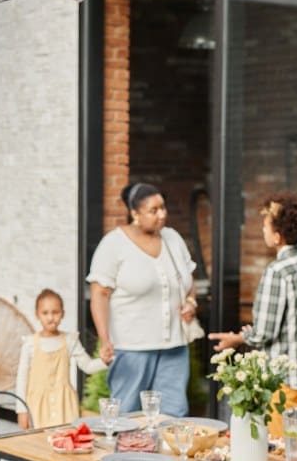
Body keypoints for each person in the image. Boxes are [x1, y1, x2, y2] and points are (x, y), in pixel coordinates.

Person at [209, 192, 297, 439]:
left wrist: (238, 339)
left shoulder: (277, 271)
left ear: (277, 236)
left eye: (265, 225)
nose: (262, 230)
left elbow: (264, 332)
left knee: (282, 445)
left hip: (285, 378)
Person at [86, 182, 198, 417]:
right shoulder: (114, 244)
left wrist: (191, 301)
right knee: (125, 414)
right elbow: (99, 295)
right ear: (135, 213)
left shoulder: (172, 238)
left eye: (163, 208)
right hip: (131, 348)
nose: (162, 214)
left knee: (173, 415)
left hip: (174, 347)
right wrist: (105, 340)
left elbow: (189, 280)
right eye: (153, 210)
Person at [15, 288, 107, 430]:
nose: (50, 317)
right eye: (45, 313)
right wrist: (21, 410)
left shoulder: (70, 340)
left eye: (55, 312)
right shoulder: (30, 344)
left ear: (62, 314)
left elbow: (87, 366)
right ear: (37, 314)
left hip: (65, 405)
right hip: (37, 406)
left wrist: (105, 361)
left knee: (66, 437)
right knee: (40, 440)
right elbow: (22, 379)